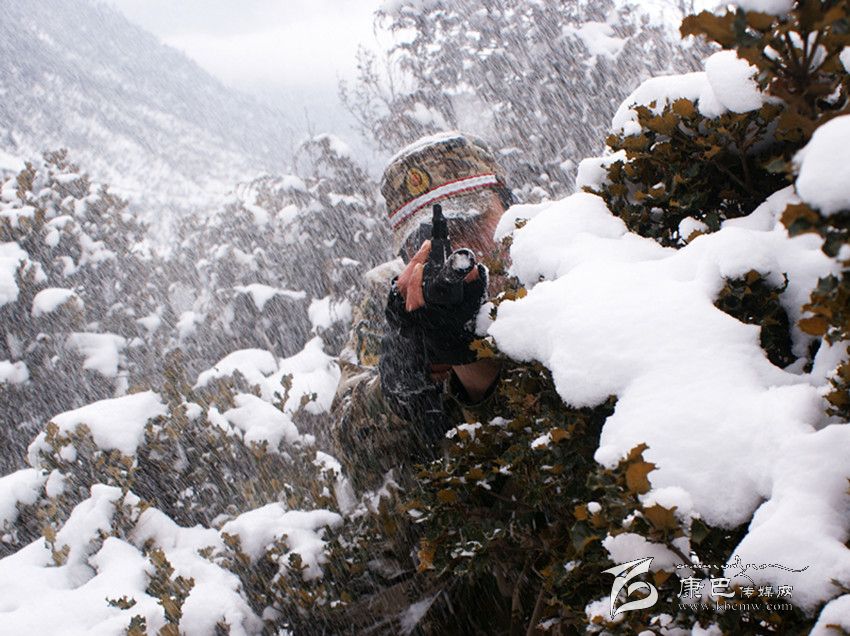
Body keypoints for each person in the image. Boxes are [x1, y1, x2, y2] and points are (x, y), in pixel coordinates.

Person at [330, 131, 515, 494]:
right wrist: (397, 386)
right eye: (430, 239)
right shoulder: (393, 295)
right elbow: (350, 445)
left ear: (508, 207)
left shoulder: (557, 257)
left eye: (473, 222)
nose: (459, 249)